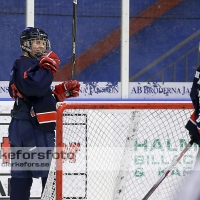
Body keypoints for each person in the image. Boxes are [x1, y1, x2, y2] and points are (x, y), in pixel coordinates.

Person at [8, 27, 80, 200]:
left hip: (23, 126)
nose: (41, 46)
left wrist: (60, 93)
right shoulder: (26, 63)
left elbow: (36, 96)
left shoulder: (29, 66)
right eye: (36, 43)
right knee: (49, 177)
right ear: (26, 45)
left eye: (42, 42)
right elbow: (35, 87)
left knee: (21, 176)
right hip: (33, 129)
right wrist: (48, 68)